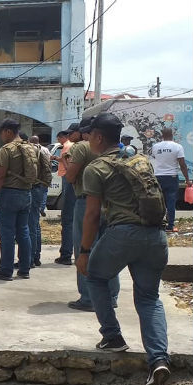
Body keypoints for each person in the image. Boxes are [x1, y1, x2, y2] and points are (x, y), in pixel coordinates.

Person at [77, 113, 171, 385]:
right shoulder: (139, 159)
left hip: (123, 234)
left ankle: (112, 336)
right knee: (149, 298)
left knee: (94, 276)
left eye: (89, 134)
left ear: (98, 137)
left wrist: (83, 252)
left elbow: (92, 215)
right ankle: (158, 360)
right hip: (156, 236)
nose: (87, 138)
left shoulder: (96, 168)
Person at [65, 118, 119, 311]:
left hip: (86, 201)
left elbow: (70, 176)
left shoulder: (81, 148)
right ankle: (111, 296)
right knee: (109, 251)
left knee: (84, 250)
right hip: (112, 205)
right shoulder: (117, 152)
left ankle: (88, 298)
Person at [0, 118, 36, 281]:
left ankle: (6, 270)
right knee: (23, 231)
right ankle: (24, 268)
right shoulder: (29, 146)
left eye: (1, 132)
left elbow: (0, 177)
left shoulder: (6, 149)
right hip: (26, 193)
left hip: (9, 194)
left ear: (8, 131)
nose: (1, 136)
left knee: (7, 234)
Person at [149, 128, 192, 232]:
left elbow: (154, 160)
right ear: (172, 134)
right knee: (171, 202)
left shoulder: (155, 147)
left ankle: (158, 224)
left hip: (158, 176)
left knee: (159, 202)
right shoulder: (177, 147)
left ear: (162, 135)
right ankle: (170, 226)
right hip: (171, 177)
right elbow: (182, 164)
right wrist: (187, 179)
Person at [27, 135, 52, 267]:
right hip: (40, 187)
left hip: (32, 188)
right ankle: (36, 256)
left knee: (30, 226)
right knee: (35, 225)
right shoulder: (43, 151)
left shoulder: (30, 151)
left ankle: (29, 259)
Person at [53, 126, 76, 265]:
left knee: (68, 219)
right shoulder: (85, 147)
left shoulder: (68, 146)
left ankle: (66, 254)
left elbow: (68, 164)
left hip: (69, 180)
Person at [29, 135, 50, 217]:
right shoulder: (45, 149)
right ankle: (42, 208)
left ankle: (39, 209)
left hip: (34, 179)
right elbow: (48, 162)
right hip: (43, 177)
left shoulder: (29, 149)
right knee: (44, 192)